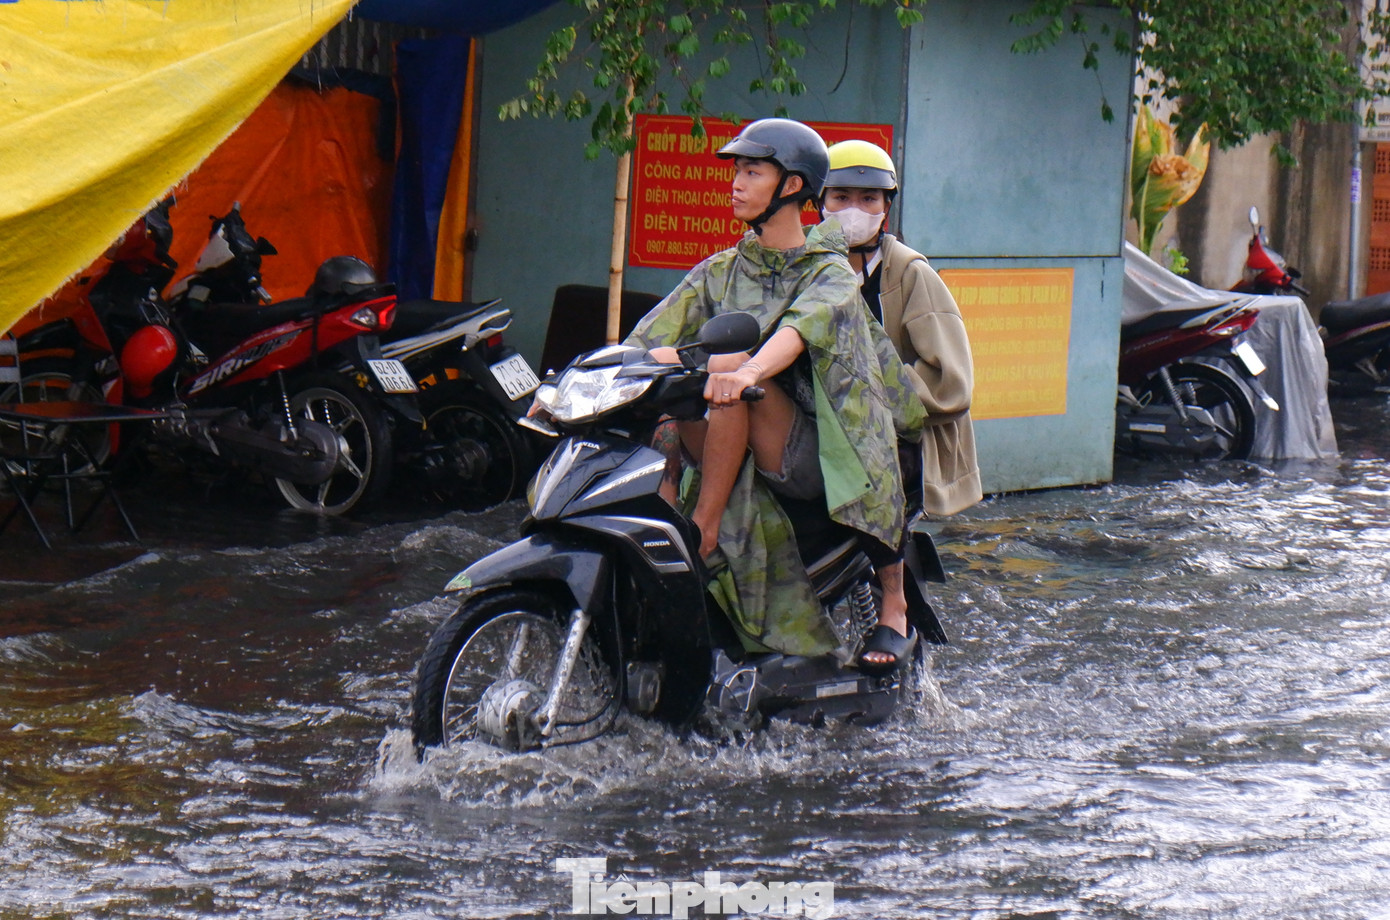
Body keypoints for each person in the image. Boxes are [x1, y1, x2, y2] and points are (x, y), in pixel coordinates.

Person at [624, 118, 927, 662]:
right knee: (668, 378)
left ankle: (891, 603)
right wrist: (578, 380)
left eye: (752, 172)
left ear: (791, 185)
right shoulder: (721, 271)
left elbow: (797, 330)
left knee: (733, 368)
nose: (736, 183)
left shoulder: (829, 273)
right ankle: (667, 535)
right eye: (737, 171)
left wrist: (748, 371)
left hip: (823, 454)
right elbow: (646, 340)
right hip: (728, 436)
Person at [822, 138, 983, 669]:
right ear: (819, 201)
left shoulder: (910, 274)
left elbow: (950, 380)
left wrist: (872, 394)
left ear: (886, 207)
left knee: (873, 467)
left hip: (904, 435)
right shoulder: (805, 264)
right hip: (819, 425)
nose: (853, 210)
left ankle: (893, 607)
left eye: (868, 199)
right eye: (841, 197)